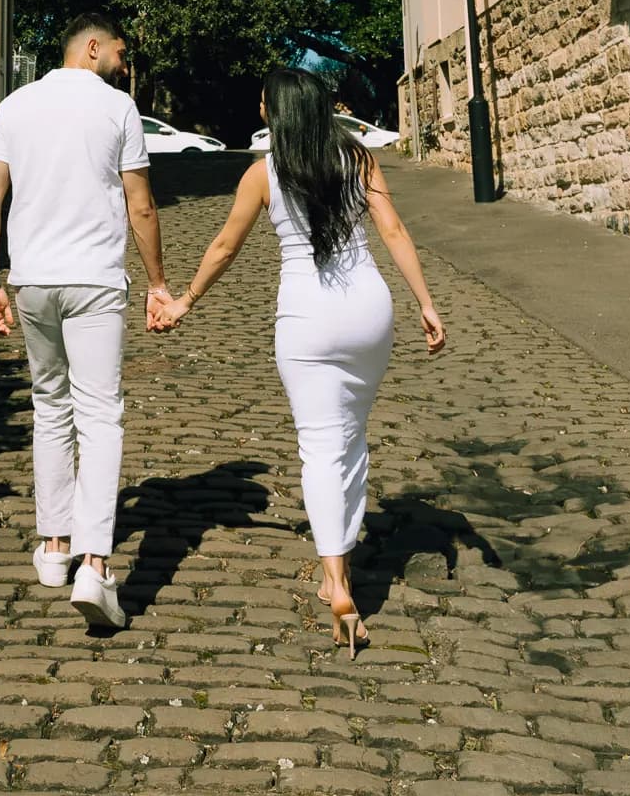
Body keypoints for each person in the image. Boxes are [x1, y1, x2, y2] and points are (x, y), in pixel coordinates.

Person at [156, 67, 445, 654]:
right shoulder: (358, 159)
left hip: (306, 321)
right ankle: (338, 562)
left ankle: (336, 581)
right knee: (352, 438)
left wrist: (184, 301)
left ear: (274, 111)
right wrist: (427, 302)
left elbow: (224, 247)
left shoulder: (263, 173)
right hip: (369, 311)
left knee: (319, 446)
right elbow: (391, 229)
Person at [0, 11, 173, 631]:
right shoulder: (118, 110)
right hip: (93, 280)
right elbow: (139, 204)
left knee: (51, 407)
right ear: (92, 47)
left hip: (31, 279)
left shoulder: (14, 105)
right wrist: (159, 283)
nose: (122, 61)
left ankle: (54, 548)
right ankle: (95, 565)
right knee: (100, 413)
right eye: (117, 50)